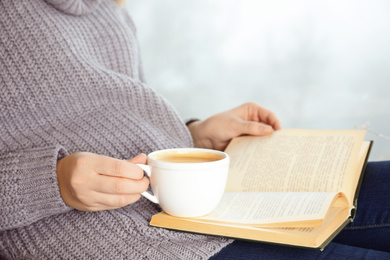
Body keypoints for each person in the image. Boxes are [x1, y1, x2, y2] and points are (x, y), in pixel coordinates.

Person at [0, 0, 389, 259]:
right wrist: (51, 181)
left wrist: (193, 136)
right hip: (125, 239)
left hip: (200, 199)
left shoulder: (108, 9)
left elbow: (116, 107)